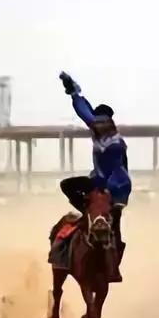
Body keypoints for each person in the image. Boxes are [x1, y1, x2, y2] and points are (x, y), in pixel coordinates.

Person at [58, 72, 130, 282]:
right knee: (67, 185)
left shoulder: (116, 143)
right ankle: (86, 215)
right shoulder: (97, 129)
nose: (96, 125)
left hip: (118, 188)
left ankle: (114, 267)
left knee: (114, 224)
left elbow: (117, 171)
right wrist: (74, 92)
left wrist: (105, 191)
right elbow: (84, 111)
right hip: (98, 182)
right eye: (95, 122)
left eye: (100, 123)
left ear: (109, 123)